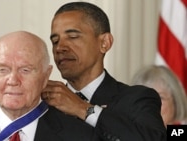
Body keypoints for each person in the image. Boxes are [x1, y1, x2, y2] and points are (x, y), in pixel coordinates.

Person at [0, 31, 96, 141]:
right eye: (3, 69)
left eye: (25, 70)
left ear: (46, 75)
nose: (13, 80)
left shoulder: (80, 136)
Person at [41, 2, 167, 141]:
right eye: (55, 41)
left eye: (72, 37)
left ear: (104, 43)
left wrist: (82, 108)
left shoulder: (136, 99)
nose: (60, 48)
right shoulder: (42, 106)